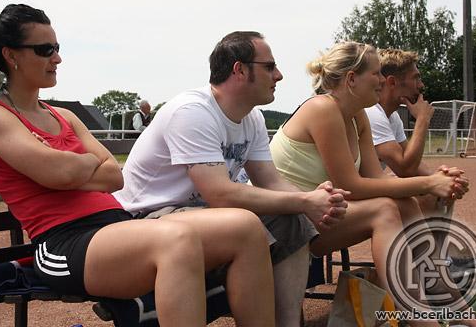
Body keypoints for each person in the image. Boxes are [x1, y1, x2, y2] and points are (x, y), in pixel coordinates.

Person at [0, 1, 275, 327]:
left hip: (117, 226)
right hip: (62, 243)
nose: (57, 58)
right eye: (45, 49)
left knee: (245, 228)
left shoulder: (64, 116)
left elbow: (113, 177)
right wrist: (80, 164)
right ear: (11, 56)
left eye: (57, 48)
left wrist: (68, 164)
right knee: (176, 240)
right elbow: (61, 173)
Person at [114, 31, 350, 327]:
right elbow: (220, 194)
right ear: (239, 70)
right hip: (145, 218)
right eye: (269, 67)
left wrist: (317, 202)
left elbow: (270, 181)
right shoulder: (193, 111)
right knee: (245, 223)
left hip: (197, 214)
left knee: (291, 220)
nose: (279, 75)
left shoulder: (252, 118)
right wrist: (304, 200)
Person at [269, 42, 472, 327]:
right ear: (352, 79)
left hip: (317, 218)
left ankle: (454, 305)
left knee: (402, 203)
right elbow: (351, 186)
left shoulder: (358, 115)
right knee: (384, 210)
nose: (381, 80)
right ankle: (423, 321)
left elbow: (376, 179)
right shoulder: (322, 109)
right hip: (283, 226)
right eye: (376, 74)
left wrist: (435, 182)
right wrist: (429, 183)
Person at [364, 48, 468, 217]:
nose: (421, 85)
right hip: (344, 195)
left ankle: (433, 236)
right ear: (392, 82)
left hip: (365, 189)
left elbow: (412, 165)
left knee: (437, 192)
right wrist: (422, 120)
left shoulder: (392, 117)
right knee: (423, 196)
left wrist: (445, 179)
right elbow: (405, 169)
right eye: (416, 78)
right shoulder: (372, 113)